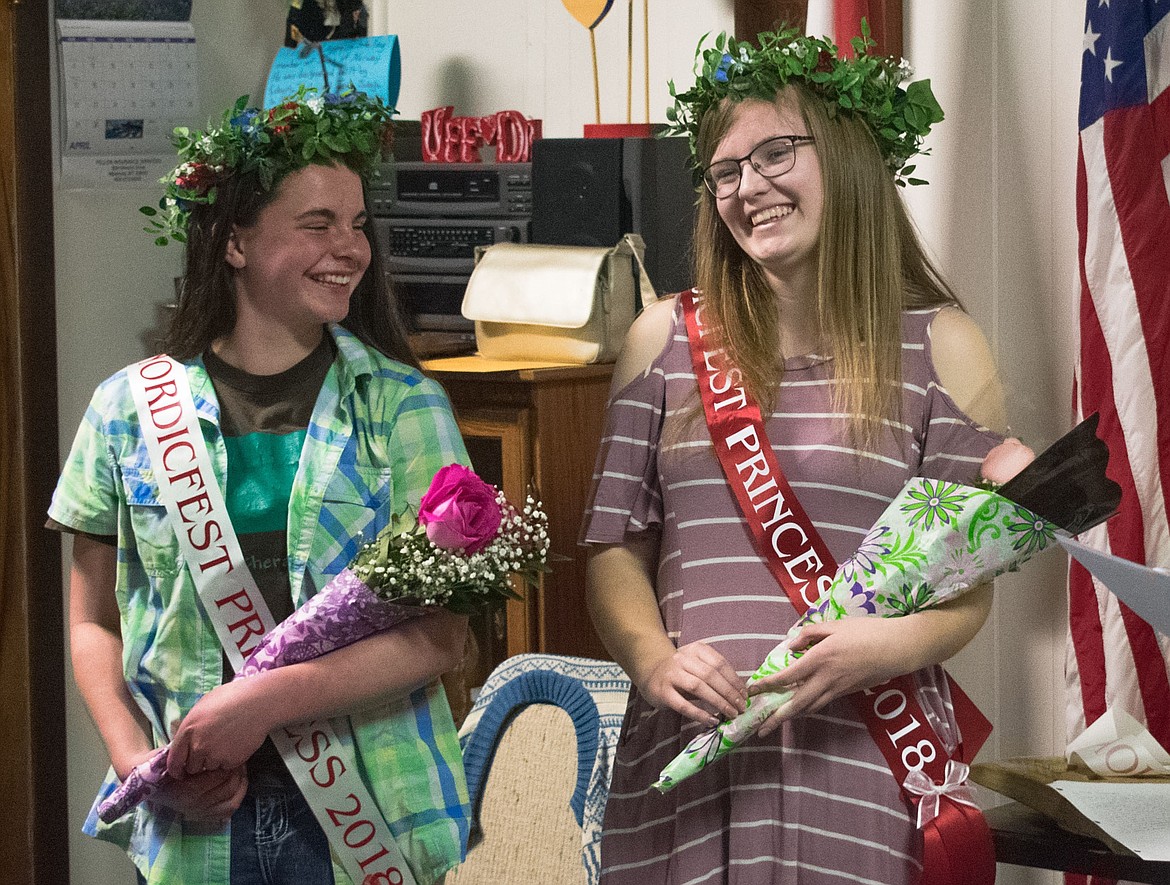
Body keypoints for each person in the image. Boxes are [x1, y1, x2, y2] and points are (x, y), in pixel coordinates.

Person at [582, 26, 1007, 884]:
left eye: (775, 153)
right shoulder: (662, 338)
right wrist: (653, 658)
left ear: (847, 157)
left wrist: (882, 649)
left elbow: (969, 588)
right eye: (726, 170)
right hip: (691, 753)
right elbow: (612, 549)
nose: (749, 187)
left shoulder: (943, 344)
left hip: (862, 751)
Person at [49, 88, 469, 885]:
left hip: (370, 814)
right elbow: (92, 621)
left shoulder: (404, 406)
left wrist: (263, 704)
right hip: (195, 819)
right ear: (235, 240)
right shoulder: (126, 411)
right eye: (318, 223)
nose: (350, 247)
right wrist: (142, 762)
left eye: (357, 224)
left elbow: (444, 636)